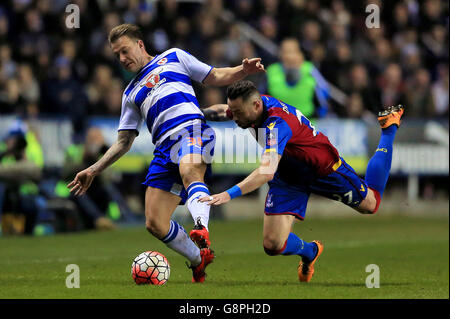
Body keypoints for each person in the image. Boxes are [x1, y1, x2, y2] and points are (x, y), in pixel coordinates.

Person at [67, 24, 265, 283]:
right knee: (154, 222)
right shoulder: (130, 93)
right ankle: (198, 258)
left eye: (125, 51)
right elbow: (124, 141)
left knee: (190, 169)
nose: (122, 59)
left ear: (140, 44)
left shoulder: (173, 56)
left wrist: (242, 70)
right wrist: (93, 168)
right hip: (163, 149)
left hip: (192, 130)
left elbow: (214, 75)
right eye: (117, 55)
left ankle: (201, 229)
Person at [200, 80, 404, 283]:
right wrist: (195, 114)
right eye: (233, 112)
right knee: (272, 244)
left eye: (238, 113)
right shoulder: (252, 107)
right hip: (288, 174)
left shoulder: (277, 124)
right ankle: (310, 251)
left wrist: (228, 194)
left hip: (323, 171)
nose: (233, 117)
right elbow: (222, 111)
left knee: (371, 204)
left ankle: (388, 129)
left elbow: (266, 172)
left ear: (256, 105)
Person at [265, 38, 331, 118]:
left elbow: (324, 95)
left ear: (300, 54)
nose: (290, 56)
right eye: (286, 52)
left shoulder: (310, 70)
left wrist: (319, 116)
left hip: (306, 122)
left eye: (293, 51)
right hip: (278, 122)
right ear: (280, 54)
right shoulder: (271, 71)